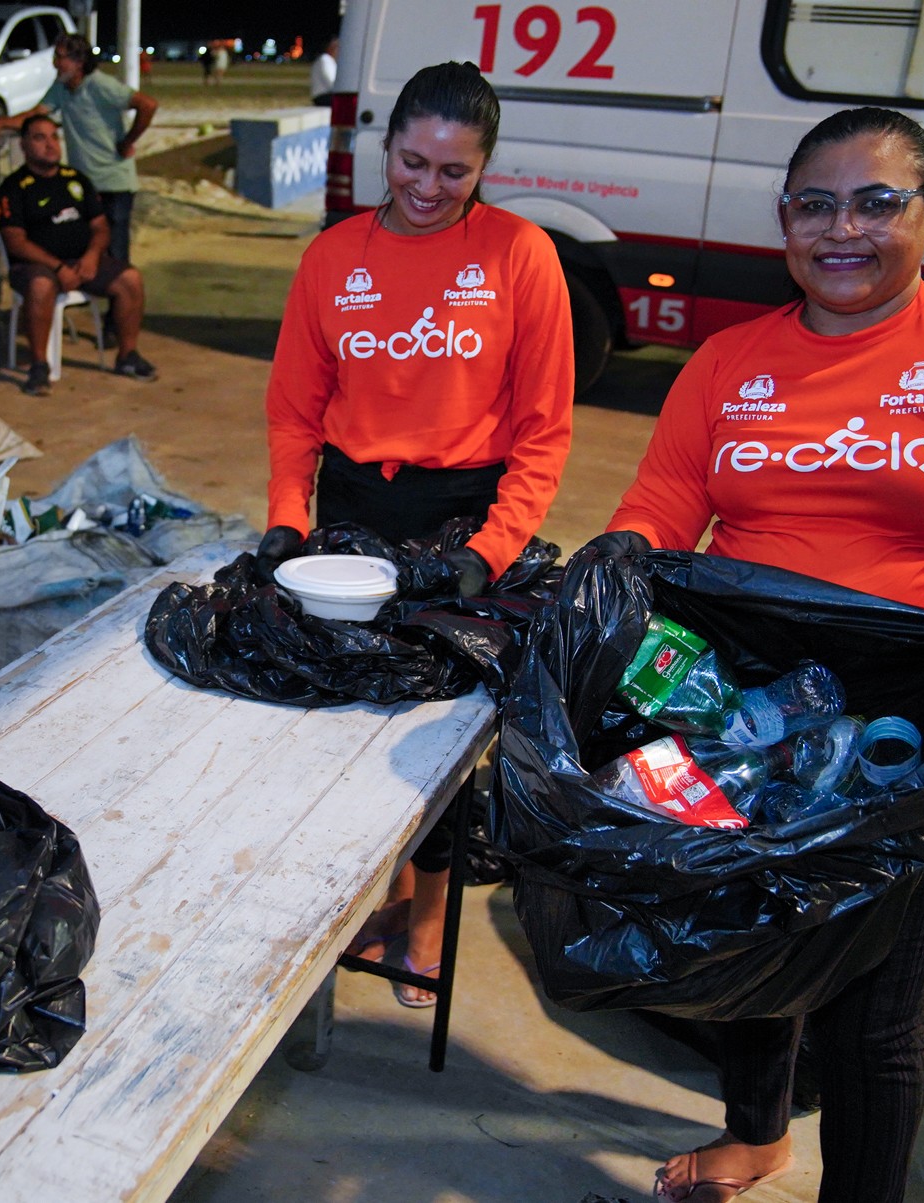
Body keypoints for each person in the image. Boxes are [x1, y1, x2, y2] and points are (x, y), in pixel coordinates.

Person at [596, 106, 924, 1203]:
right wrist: (617, 563)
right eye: (815, 205)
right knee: (751, 952)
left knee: (876, 1016)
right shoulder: (728, 362)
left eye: (877, 203)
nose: (843, 230)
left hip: (917, 737)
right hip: (746, 721)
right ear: (783, 220)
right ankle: (755, 1138)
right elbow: (662, 504)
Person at [257, 61, 574, 1006]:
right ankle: (387, 893)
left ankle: (428, 920)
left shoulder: (520, 255)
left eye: (454, 171)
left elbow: (545, 429)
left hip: (463, 521)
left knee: (440, 737)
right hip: (354, 514)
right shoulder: (333, 257)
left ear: (485, 168)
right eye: (412, 163)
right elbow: (294, 410)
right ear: (384, 146)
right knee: (354, 718)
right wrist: (287, 520)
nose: (428, 188)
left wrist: (490, 550)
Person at [0, 113, 159, 396]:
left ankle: (127, 356)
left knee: (130, 279)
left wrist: (92, 257)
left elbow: (101, 227)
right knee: (41, 285)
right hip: (36, 266)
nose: (50, 144)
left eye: (54, 137)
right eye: (40, 138)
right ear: (24, 145)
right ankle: (39, 366)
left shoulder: (77, 180)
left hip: (82, 262)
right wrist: (58, 268)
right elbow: (16, 242)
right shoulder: (13, 188)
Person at [0, 34, 158, 267]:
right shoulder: (61, 87)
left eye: (60, 58)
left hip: (113, 184)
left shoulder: (99, 85)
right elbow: (36, 115)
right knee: (89, 252)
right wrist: (2, 123)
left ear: (79, 62)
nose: (55, 64)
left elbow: (148, 104)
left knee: (115, 258)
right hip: (85, 184)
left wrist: (128, 141)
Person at [311, 36, 340, 106]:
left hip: (327, 95)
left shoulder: (330, 61)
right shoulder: (325, 60)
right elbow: (330, 82)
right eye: (337, 48)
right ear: (330, 48)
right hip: (322, 96)